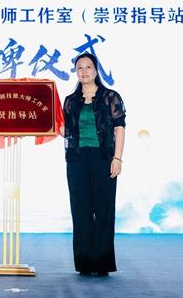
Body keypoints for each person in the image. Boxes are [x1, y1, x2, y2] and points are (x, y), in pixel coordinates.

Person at [61, 53, 126, 276]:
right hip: (77, 161)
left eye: (88, 67)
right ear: (76, 72)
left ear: (96, 70)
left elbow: (119, 128)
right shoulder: (70, 101)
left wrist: (117, 158)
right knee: (80, 210)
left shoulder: (110, 97)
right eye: (79, 68)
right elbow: (66, 131)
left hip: (103, 159)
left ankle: (102, 263)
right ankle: (84, 263)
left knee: (103, 210)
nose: (84, 71)